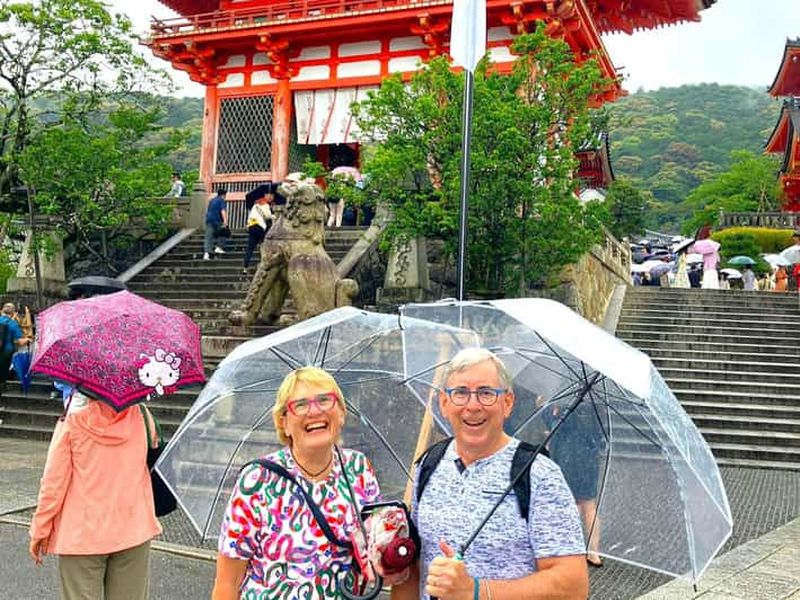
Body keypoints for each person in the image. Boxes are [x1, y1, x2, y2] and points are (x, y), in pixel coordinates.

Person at [392, 348, 588, 600]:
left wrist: (476, 591)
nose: (473, 406)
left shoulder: (540, 476)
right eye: (460, 393)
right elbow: (415, 568)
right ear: (443, 403)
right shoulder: (429, 465)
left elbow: (573, 586)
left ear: (507, 403)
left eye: (486, 393)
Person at [213, 367, 389, 599]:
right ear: (284, 423)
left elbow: (376, 548)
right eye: (301, 404)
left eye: (325, 400)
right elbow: (228, 582)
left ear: (341, 413)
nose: (314, 411)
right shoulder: (258, 481)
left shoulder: (359, 469)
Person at [28, 397, 162, 599]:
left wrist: (40, 529)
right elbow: (153, 451)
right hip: (133, 528)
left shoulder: (72, 420)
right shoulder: (142, 416)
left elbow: (53, 483)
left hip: (83, 534)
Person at [0, 302, 29, 396]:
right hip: (5, 353)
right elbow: (20, 341)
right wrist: (28, 339)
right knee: (2, 377)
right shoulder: (12, 324)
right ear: (13, 313)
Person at [243, 191, 273, 273]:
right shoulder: (265, 204)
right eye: (270, 196)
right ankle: (264, 264)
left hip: (251, 227)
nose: (271, 198)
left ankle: (245, 267)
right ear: (266, 196)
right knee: (265, 244)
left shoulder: (255, 205)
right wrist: (275, 216)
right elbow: (268, 216)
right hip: (259, 227)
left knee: (250, 247)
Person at [204, 188, 229, 261]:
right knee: (223, 232)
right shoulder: (221, 200)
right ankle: (219, 247)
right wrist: (225, 221)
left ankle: (207, 253)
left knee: (209, 236)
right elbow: (223, 210)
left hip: (209, 219)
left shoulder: (211, 200)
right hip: (217, 219)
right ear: (223, 195)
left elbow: (208, 210)